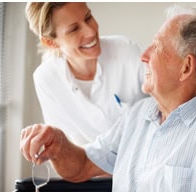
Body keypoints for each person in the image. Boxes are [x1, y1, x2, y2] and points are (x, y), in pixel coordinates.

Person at [20, 7, 196, 192]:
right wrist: (58, 144)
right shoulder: (140, 113)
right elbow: (82, 165)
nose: (143, 55)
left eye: (157, 46)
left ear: (186, 67)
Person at [25, 2, 147, 145]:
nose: (91, 31)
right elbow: (64, 145)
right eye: (74, 29)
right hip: (93, 165)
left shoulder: (126, 50)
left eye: (88, 17)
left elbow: (167, 103)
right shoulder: (46, 78)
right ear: (50, 42)